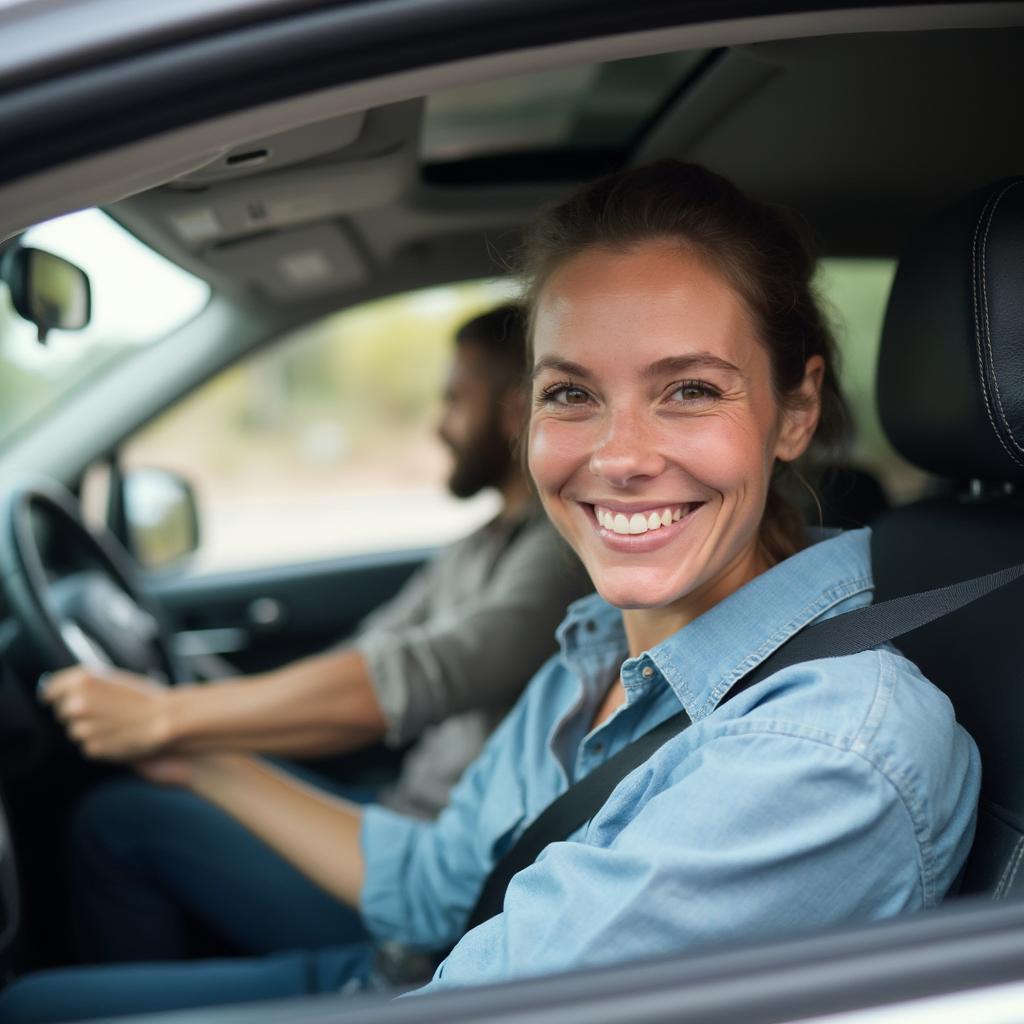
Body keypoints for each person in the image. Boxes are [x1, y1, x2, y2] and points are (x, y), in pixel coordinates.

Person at [0, 161, 980, 1023]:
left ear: (795, 410)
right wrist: (191, 748)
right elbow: (437, 888)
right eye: (571, 393)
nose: (621, 456)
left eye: (688, 389)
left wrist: (179, 721)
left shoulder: (821, 752)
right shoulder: (600, 646)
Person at [43, 303, 592, 962]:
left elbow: (424, 675)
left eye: (454, 401)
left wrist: (166, 716)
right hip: (403, 824)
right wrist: (199, 693)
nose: (439, 427)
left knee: (116, 825)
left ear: (511, 411)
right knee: (143, 799)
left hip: (436, 878)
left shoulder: (560, 559)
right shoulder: (478, 546)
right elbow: (362, 654)